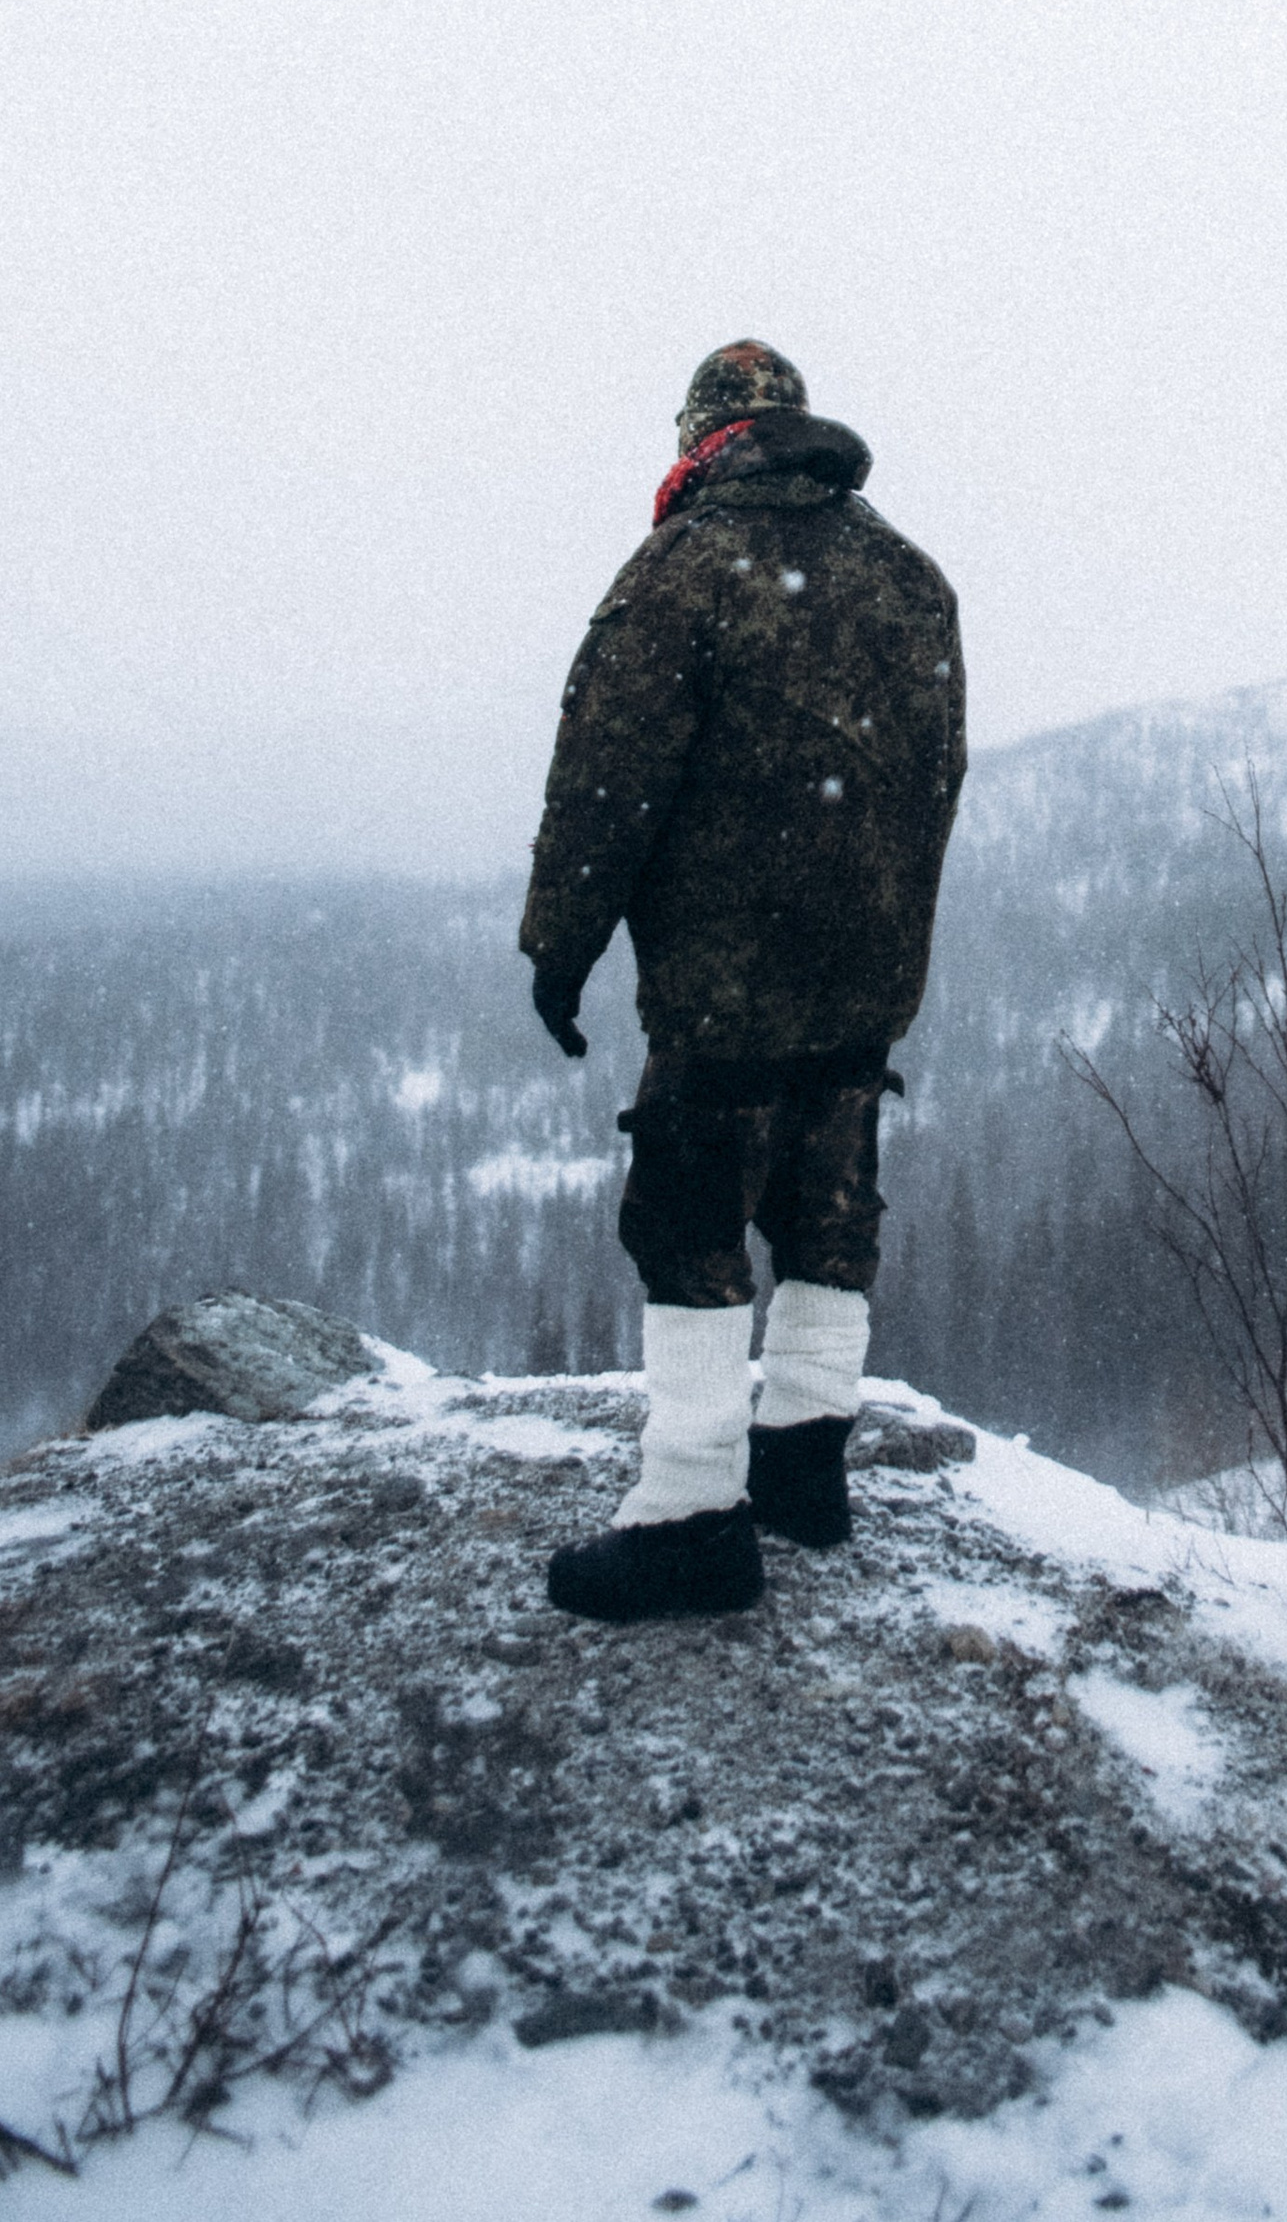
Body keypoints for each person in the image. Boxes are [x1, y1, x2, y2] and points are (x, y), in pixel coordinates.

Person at [519, 342, 966, 1622]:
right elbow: (938, 774)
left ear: (705, 438)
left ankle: (692, 1512)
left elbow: (605, 779)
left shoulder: (686, 568)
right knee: (831, 1200)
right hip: (864, 966)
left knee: (687, 1214)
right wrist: (889, 941)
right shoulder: (909, 577)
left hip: (728, 967)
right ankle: (805, 1465)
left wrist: (562, 942)